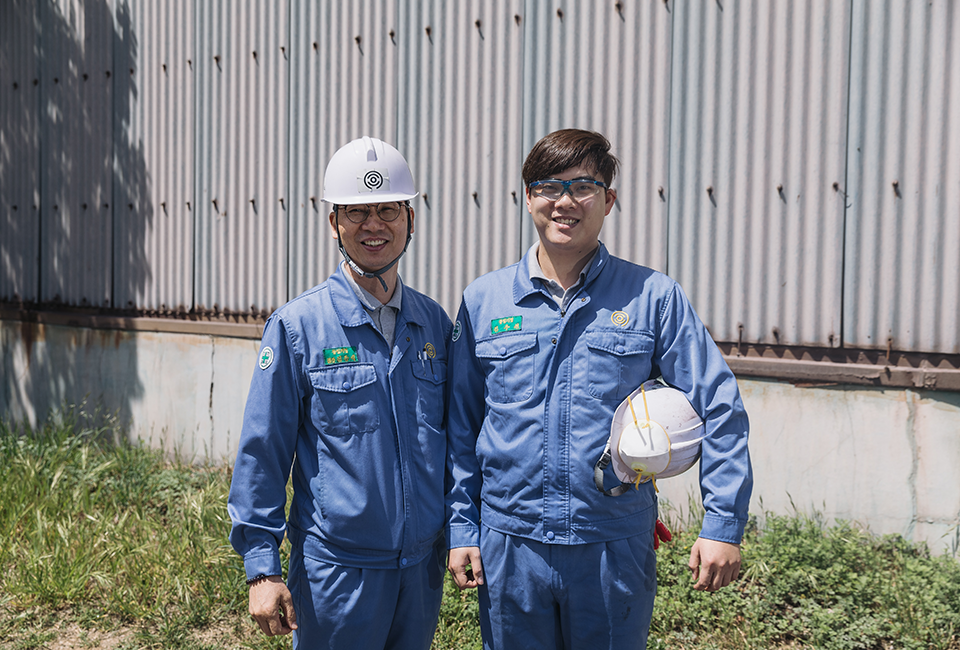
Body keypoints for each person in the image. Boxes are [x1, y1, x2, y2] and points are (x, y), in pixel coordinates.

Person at [445, 129, 753, 649]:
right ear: (527, 197)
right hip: (510, 545)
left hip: (611, 543)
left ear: (608, 200)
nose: (565, 201)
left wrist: (722, 523)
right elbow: (460, 425)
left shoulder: (652, 297)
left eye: (583, 186)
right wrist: (462, 528)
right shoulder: (485, 301)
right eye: (548, 186)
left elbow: (718, 403)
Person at [228, 136, 451, 649]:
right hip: (338, 575)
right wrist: (262, 568)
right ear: (334, 223)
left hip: (419, 572)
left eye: (388, 209)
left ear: (410, 219)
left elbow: (456, 443)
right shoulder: (297, 327)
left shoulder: (434, 324)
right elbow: (263, 451)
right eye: (356, 212)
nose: (374, 225)